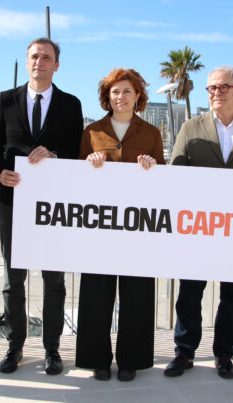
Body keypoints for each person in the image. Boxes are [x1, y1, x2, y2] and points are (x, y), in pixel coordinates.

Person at [165, 65, 233, 379]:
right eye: (211, 88)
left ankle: (224, 354)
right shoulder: (191, 127)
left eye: (223, 87)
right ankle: (184, 351)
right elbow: (175, 171)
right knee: (190, 293)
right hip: (198, 228)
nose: (216, 92)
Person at [0, 37, 83, 375]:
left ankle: (52, 349)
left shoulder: (70, 104)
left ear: (56, 65)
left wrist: (54, 154)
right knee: (13, 280)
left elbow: (77, 151)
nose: (39, 61)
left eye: (46, 57)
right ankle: (15, 346)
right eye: (34, 56)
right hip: (13, 201)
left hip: (53, 205)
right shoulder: (6, 99)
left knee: (54, 279)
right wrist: (0, 172)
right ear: (27, 61)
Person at [75, 68, 165, 382]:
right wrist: (88, 164)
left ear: (138, 95)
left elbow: (163, 180)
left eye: (127, 91)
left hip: (138, 227)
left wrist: (153, 167)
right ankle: (96, 359)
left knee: (137, 294)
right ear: (107, 97)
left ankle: (132, 360)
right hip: (100, 226)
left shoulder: (151, 133)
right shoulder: (91, 132)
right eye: (115, 91)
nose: (121, 97)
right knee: (96, 294)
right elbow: (75, 179)